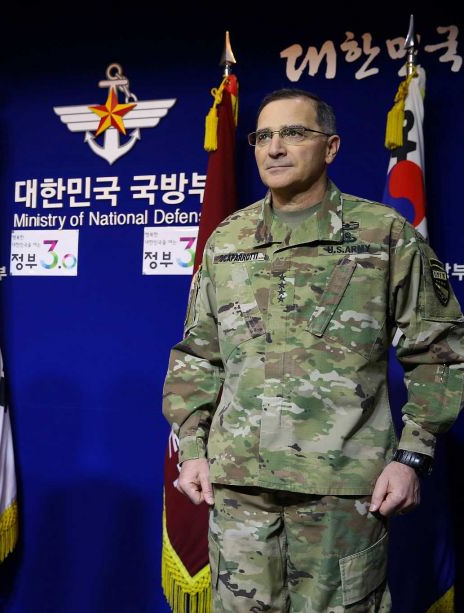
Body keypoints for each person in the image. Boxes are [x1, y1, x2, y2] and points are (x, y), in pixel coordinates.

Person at [162, 88, 464, 611]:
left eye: (294, 133)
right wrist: (191, 449)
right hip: (239, 492)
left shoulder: (383, 234)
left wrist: (413, 457)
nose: (275, 148)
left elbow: (440, 350)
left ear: (331, 147)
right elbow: (197, 354)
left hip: (342, 494)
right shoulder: (227, 240)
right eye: (264, 136)